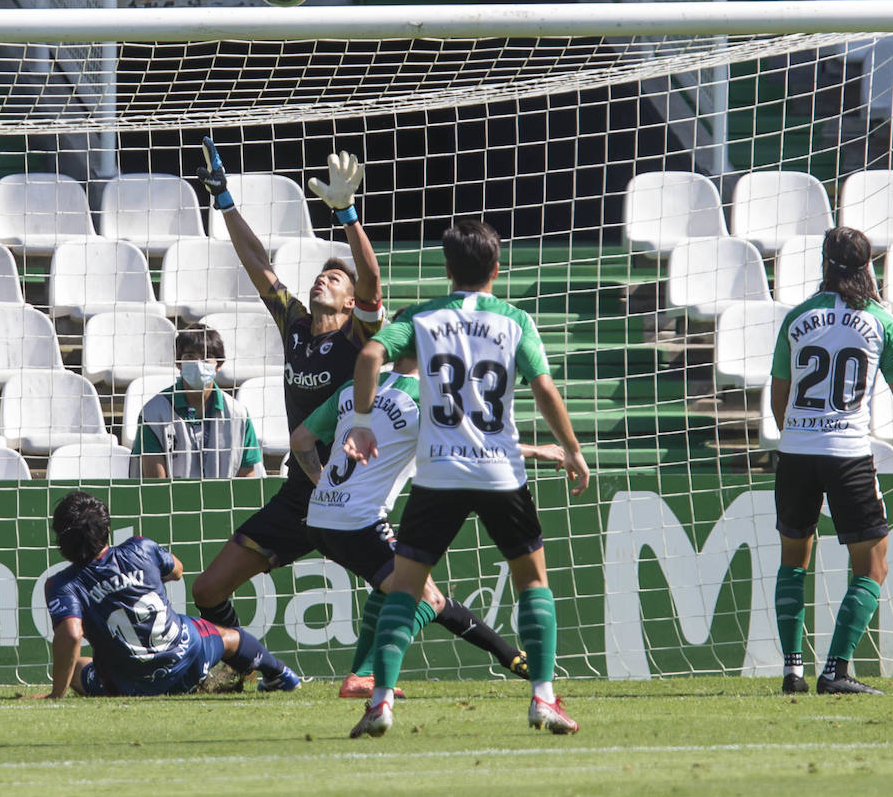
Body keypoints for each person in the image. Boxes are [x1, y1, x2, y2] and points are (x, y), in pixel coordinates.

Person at [341, 218, 590, 739]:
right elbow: (544, 390)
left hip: (439, 473)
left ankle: (380, 701)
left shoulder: (424, 317)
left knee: (405, 591)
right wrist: (570, 449)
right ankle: (543, 698)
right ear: (496, 269)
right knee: (533, 582)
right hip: (501, 471)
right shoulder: (514, 320)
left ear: (447, 267)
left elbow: (369, 354)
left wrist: (362, 423)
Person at [187, 139, 384, 646]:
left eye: (334, 278)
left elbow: (373, 283)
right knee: (207, 590)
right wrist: (224, 200)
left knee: (412, 591)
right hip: (300, 495)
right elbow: (257, 262)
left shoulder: (358, 335)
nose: (323, 280)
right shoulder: (295, 322)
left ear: (349, 299)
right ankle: (254, 666)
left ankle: (513, 661)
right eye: (320, 275)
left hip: (348, 491)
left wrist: (347, 214)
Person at [290, 348, 568, 693]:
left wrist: (322, 484)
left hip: (320, 515)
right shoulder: (425, 400)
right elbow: (477, 445)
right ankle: (364, 675)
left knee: (391, 587)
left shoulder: (354, 388)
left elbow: (301, 439)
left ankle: (366, 674)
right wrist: (538, 451)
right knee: (428, 600)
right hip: (358, 520)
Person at [769, 225, 893, 697]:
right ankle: (836, 671)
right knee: (873, 564)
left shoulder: (797, 318)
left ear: (825, 264)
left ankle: (792, 670)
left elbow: (779, 395)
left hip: (797, 453)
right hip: (847, 454)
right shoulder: (881, 322)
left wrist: (799, 436)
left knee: (793, 561)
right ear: (868, 267)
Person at [32, 490, 301, 698]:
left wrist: (56, 694)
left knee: (79, 667)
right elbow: (178, 571)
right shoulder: (140, 547)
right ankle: (280, 674)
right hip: (188, 657)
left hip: (131, 686)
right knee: (229, 636)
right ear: (107, 530)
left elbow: (71, 634)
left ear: (61, 543)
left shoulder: (62, 584)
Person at [130, 324, 262, 479]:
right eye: (190, 357)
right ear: (178, 363)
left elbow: (247, 481)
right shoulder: (153, 413)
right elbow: (156, 486)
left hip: (225, 502)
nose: (198, 364)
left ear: (219, 364)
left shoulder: (239, 415)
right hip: (172, 501)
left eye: (206, 357)